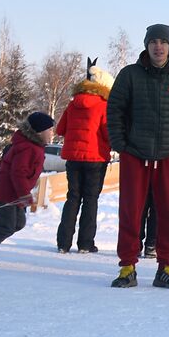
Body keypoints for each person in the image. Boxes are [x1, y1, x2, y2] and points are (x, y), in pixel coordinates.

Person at [106, 24, 169, 289]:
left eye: (163, 41)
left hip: (168, 155)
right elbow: (114, 110)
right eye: (153, 41)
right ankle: (127, 266)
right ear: (147, 45)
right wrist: (120, 144)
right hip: (134, 154)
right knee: (130, 210)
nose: (158, 46)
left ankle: (166, 268)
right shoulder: (129, 75)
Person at [0, 112, 54, 267]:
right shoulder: (28, 148)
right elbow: (17, 172)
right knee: (6, 226)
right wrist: (24, 194)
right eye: (50, 130)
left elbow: (4, 163)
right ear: (39, 132)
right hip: (7, 193)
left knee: (18, 223)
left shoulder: (31, 146)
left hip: (14, 193)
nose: (52, 133)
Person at [54, 59, 113, 254]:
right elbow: (108, 134)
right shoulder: (103, 106)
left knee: (72, 197)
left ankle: (63, 243)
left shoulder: (73, 105)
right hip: (95, 159)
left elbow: (60, 129)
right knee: (90, 199)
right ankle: (86, 244)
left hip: (73, 158)